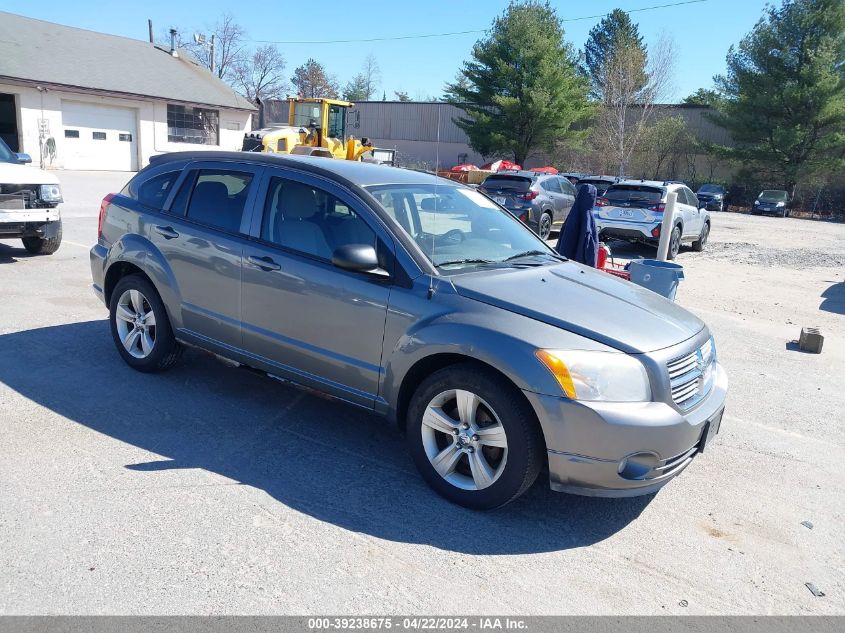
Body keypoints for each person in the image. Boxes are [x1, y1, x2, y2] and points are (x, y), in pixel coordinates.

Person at [555, 183, 598, 266]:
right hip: (580, 267)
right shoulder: (588, 218)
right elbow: (591, 249)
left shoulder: (571, 215)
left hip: (564, 263)